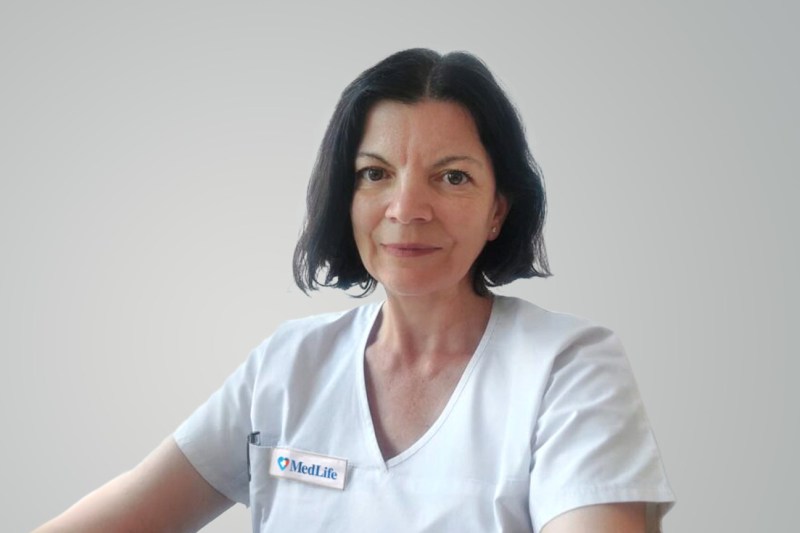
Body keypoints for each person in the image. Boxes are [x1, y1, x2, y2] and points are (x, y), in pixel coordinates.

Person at [35, 48, 674, 532]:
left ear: (498, 210)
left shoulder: (568, 368)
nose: (407, 208)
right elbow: (130, 512)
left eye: (451, 177)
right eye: (375, 174)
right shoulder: (288, 364)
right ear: (346, 197)